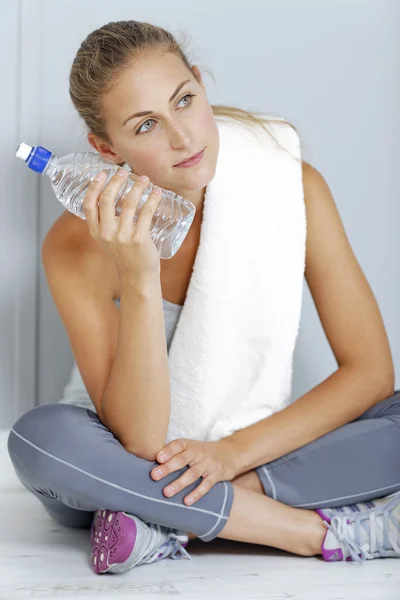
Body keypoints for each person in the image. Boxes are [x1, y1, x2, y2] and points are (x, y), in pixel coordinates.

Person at [8, 19, 400, 575]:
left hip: (244, 450)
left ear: (200, 83)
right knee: (39, 438)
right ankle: (309, 532)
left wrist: (230, 455)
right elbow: (140, 442)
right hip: (111, 462)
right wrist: (139, 277)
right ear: (105, 149)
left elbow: (370, 374)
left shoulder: (290, 186)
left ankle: (161, 522)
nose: (184, 137)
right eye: (145, 125)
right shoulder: (74, 247)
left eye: (184, 100)